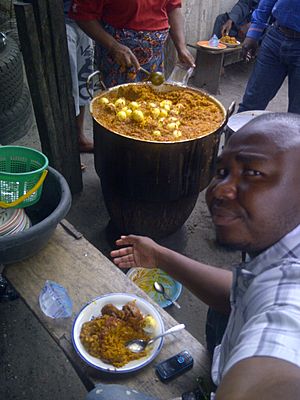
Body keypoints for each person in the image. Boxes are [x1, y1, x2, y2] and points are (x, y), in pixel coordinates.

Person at [110, 112, 300, 399]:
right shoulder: (278, 245)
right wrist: (159, 256)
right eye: (221, 172)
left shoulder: (288, 300)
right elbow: (242, 294)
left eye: (253, 173)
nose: (219, 190)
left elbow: (279, 345)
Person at [68, 0, 195, 88]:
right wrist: (113, 46)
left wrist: (181, 46)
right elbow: (82, 15)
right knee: (117, 111)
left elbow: (173, 6)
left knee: (152, 106)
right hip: (118, 58)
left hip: (154, 59)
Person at [238, 0, 300, 114]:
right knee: (251, 103)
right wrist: (254, 33)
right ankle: (235, 132)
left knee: (297, 114)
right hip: (276, 37)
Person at [63, 0, 94, 153]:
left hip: (83, 19)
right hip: (58, 21)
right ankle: (65, 149)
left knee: (83, 81)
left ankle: (79, 137)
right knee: (67, 85)